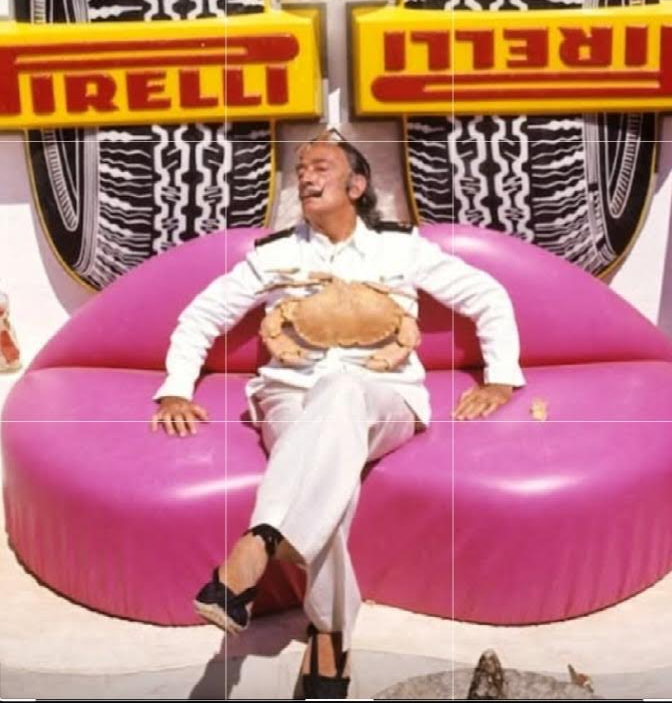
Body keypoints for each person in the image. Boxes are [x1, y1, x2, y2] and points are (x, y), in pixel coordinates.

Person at [151, 130, 526, 699]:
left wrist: (500, 377)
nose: (306, 175)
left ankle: (258, 543)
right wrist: (176, 389)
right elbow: (202, 316)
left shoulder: (402, 249)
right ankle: (330, 634)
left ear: (356, 185)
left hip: (384, 396)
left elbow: (487, 296)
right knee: (330, 476)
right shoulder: (274, 256)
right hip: (289, 395)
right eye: (301, 169)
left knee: (343, 386)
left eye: (321, 166)